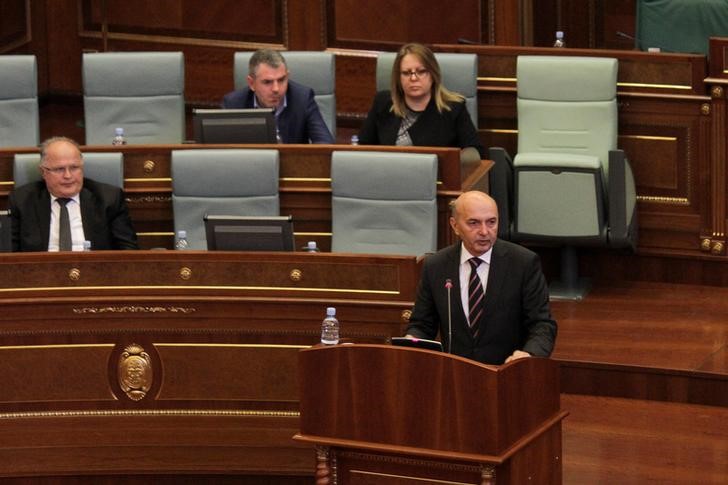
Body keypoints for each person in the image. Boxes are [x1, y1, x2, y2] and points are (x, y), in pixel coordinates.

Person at [406, 191, 556, 365]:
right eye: (474, 223)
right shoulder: (436, 266)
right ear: (454, 226)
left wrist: (528, 355)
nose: (485, 231)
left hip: (506, 373)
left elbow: (542, 325)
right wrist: (412, 338)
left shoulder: (523, 263)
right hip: (454, 376)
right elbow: (422, 325)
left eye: (491, 222)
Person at [8, 136, 139, 251]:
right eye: (59, 169)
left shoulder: (109, 198)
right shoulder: (22, 200)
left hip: (96, 274)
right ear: (43, 172)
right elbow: (9, 255)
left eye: (74, 168)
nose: (68, 176)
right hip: (41, 275)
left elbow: (129, 251)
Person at [358, 43, 484, 159]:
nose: (413, 78)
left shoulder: (453, 108)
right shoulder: (383, 103)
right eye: (406, 73)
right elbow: (363, 148)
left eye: (421, 71)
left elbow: (475, 152)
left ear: (433, 74)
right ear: (398, 78)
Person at [222, 49, 335, 144]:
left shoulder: (303, 98)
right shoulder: (233, 104)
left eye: (281, 80)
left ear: (287, 76)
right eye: (267, 82)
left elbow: (325, 144)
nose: (276, 89)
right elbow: (221, 151)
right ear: (252, 83)